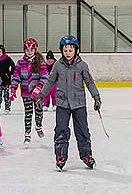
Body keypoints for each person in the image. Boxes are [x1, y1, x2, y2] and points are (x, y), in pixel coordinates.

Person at [36, 35, 101, 171]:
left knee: (82, 130)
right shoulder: (58, 65)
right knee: (61, 130)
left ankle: (86, 155)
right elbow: (50, 81)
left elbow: (89, 82)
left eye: (70, 50)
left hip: (79, 104)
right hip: (62, 104)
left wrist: (96, 97)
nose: (68, 53)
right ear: (62, 51)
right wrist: (41, 96)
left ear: (76, 50)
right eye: (65, 50)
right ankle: (60, 156)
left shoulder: (82, 65)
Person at [10, 38, 48, 147]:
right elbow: (16, 76)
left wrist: (39, 87)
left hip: (38, 93)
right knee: (28, 113)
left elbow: (45, 76)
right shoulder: (20, 63)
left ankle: (38, 125)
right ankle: (27, 134)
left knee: (39, 111)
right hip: (26, 93)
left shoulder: (40, 62)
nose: (29, 51)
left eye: (32, 49)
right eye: (27, 50)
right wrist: (13, 88)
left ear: (35, 50)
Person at [0, 44, 16, 113]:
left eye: (0, 52)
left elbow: (13, 66)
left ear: (3, 51)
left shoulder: (7, 58)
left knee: (6, 95)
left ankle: (7, 108)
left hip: (6, 79)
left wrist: (11, 74)